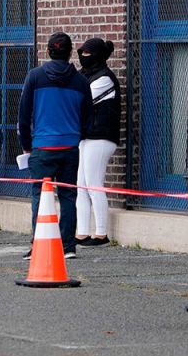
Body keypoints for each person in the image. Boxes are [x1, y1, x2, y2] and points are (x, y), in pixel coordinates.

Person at [18, 32, 90, 259]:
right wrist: (77, 138)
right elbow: (88, 119)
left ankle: (38, 244)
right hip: (69, 147)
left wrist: (27, 146)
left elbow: (23, 116)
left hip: (42, 147)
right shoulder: (81, 81)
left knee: (40, 196)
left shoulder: (35, 77)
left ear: (48, 51)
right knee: (68, 196)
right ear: (70, 53)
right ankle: (68, 246)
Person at [75, 38, 120, 247]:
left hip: (101, 137)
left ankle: (101, 234)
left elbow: (81, 101)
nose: (83, 57)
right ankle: (82, 232)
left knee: (94, 184)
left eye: (87, 54)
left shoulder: (105, 78)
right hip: (86, 136)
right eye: (81, 53)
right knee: (81, 186)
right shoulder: (85, 75)